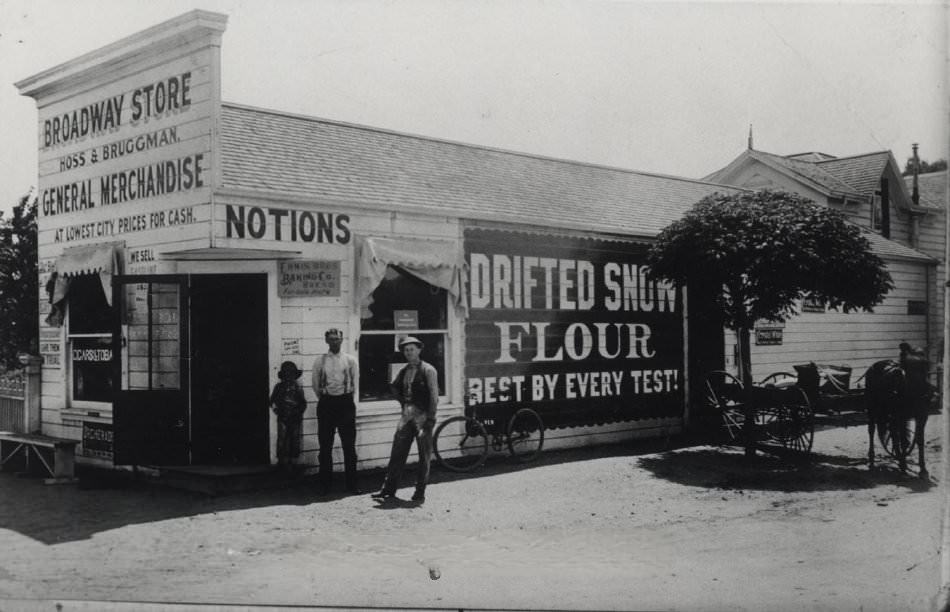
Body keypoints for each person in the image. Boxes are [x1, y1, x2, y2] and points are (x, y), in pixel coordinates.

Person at [372, 336, 440, 503]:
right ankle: (388, 489)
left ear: (419, 350)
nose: (409, 353)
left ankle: (420, 491)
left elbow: (434, 395)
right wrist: (402, 401)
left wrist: (431, 417)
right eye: (406, 350)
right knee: (397, 452)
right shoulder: (404, 370)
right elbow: (394, 386)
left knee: (424, 455)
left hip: (423, 415)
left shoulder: (428, 370)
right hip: (407, 414)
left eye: (412, 349)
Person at [311, 328, 361, 495]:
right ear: (326, 341)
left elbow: (355, 383)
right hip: (326, 404)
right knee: (325, 446)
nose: (334, 342)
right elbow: (315, 385)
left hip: (345, 403)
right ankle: (325, 486)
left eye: (337, 339)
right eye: (331, 339)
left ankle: (352, 485)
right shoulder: (320, 361)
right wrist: (326, 399)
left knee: (349, 446)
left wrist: (345, 399)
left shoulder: (350, 360)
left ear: (342, 340)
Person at [270, 361, 307, 473]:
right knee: (282, 440)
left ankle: (292, 462)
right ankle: (282, 462)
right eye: (286, 375)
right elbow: (272, 401)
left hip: (295, 418)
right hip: (283, 417)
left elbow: (303, 403)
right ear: (283, 376)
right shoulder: (278, 387)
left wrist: (298, 412)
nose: (289, 378)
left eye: (291, 375)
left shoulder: (297, 388)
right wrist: (276, 409)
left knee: (294, 439)